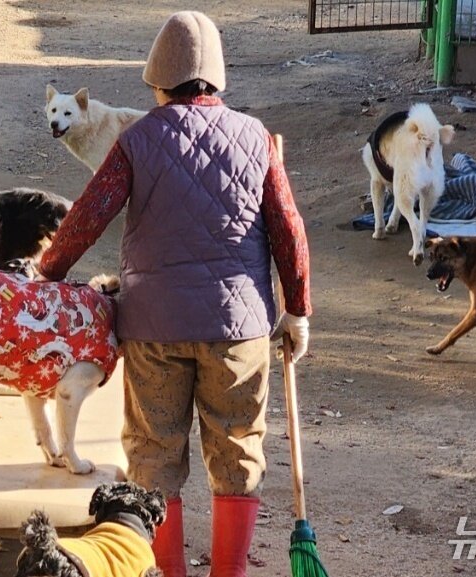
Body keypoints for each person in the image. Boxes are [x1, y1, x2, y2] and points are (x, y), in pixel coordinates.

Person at [40, 10, 312, 577]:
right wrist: (299, 311)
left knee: (154, 453)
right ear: (216, 78)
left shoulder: (138, 138)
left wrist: (50, 270)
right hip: (239, 330)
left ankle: (167, 571)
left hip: (153, 328)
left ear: (156, 80)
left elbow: (90, 215)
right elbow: (288, 227)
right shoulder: (257, 137)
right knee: (237, 449)